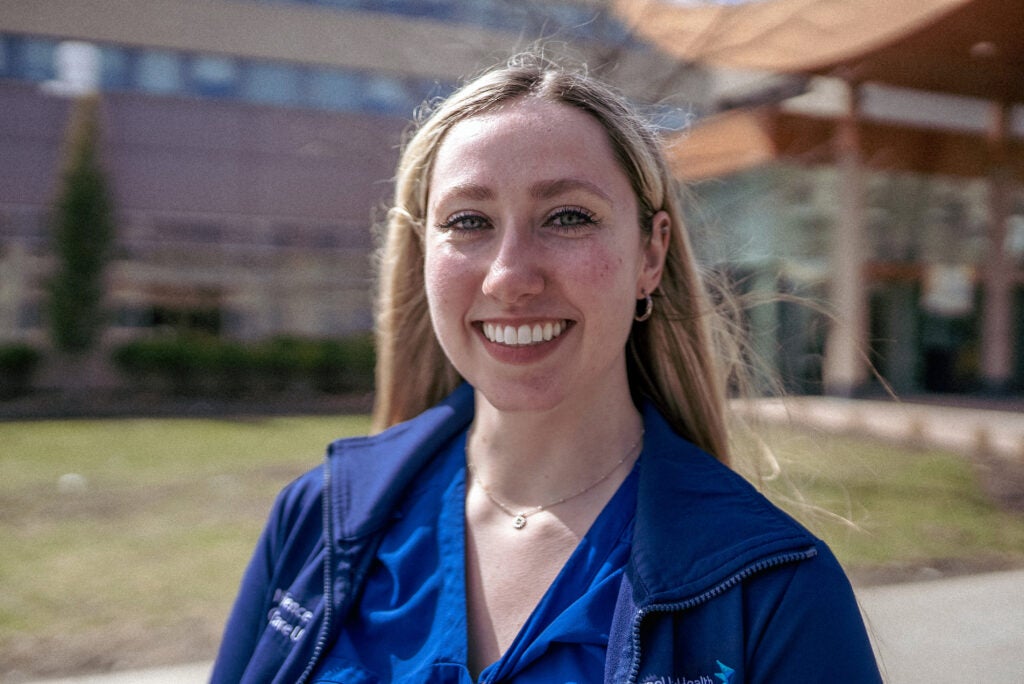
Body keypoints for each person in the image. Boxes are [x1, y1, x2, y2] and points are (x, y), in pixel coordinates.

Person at [211, 54, 882, 683]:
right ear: (423, 254)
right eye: (469, 221)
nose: (510, 277)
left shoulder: (775, 591)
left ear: (651, 254)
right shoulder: (317, 518)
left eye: (567, 217)